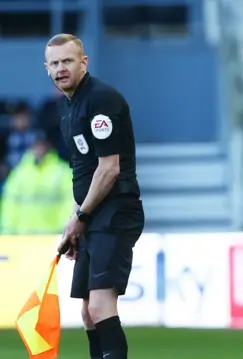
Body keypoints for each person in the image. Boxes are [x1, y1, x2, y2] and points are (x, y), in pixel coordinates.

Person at [45, 33, 144, 359]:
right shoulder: (68, 111)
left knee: (101, 306)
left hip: (115, 210)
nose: (61, 68)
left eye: (68, 61)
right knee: (88, 313)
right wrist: (75, 221)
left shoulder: (101, 100)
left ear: (83, 62)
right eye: (55, 63)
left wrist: (81, 217)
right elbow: (84, 175)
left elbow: (109, 169)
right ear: (46, 68)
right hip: (94, 215)